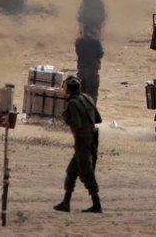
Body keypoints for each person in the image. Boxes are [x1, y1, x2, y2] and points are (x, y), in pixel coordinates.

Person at [55, 75, 102, 213]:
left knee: (86, 173)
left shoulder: (73, 103)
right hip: (91, 139)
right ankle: (66, 202)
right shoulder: (88, 98)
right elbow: (98, 119)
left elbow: (77, 123)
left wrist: (66, 117)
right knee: (71, 171)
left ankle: (97, 204)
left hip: (82, 141)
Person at [75, 0, 106, 100]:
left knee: (80, 93)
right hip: (93, 70)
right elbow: (100, 54)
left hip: (82, 69)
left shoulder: (79, 42)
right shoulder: (96, 43)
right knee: (93, 95)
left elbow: (80, 16)